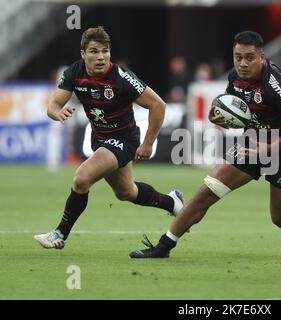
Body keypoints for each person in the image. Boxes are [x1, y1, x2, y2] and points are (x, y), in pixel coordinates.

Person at [129, 30, 281, 259]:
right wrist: (217, 117)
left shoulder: (277, 85)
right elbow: (228, 109)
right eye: (238, 57)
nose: (243, 63)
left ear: (262, 57)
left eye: (249, 57)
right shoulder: (235, 78)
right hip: (251, 145)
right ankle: (163, 247)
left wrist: (268, 150)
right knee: (206, 193)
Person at [34, 26, 183, 249]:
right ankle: (172, 202)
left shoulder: (121, 77)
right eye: (94, 51)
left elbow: (158, 105)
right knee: (126, 192)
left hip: (124, 139)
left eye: (105, 51)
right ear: (83, 53)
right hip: (100, 138)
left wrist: (148, 143)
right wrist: (57, 113)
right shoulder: (75, 73)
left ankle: (59, 233)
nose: (101, 56)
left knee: (81, 179)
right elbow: (53, 105)